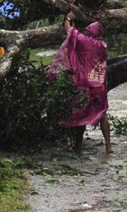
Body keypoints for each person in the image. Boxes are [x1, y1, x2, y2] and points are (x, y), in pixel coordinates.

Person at [47, 11, 113, 154]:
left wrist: (68, 18)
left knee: (82, 114)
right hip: (100, 85)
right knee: (102, 114)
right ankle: (108, 146)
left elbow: (69, 31)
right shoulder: (102, 45)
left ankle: (78, 145)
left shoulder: (83, 40)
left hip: (85, 84)